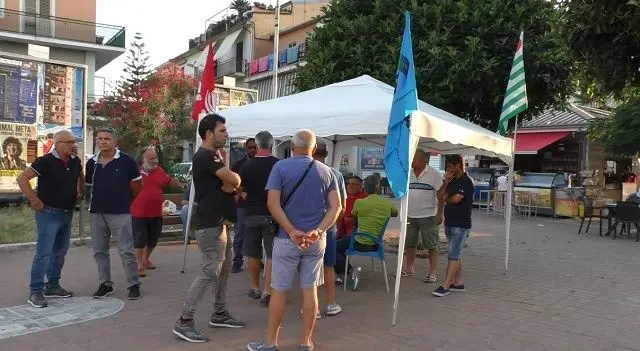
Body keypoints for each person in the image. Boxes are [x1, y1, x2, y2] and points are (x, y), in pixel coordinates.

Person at [247, 129, 341, 351]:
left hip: (287, 239)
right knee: (310, 290)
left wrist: (290, 230)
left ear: (292, 145)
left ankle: (270, 342)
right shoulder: (327, 172)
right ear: (314, 147)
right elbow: (337, 207)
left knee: (279, 289)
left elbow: (273, 203)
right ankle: (306, 342)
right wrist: (318, 231)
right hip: (315, 241)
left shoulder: (280, 167)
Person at [172, 113, 245, 343]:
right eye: (222, 130)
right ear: (209, 134)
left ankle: (220, 313)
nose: (226, 133)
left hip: (220, 222)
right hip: (210, 224)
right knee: (209, 271)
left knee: (222, 271)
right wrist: (233, 181)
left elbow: (229, 185)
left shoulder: (214, 156)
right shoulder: (205, 156)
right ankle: (184, 321)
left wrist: (231, 184)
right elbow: (233, 180)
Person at [16, 130, 83, 308]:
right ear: (58, 143)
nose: (72, 144)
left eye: (73, 141)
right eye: (68, 142)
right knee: (44, 253)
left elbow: (79, 176)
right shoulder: (45, 161)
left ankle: (52, 286)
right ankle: (35, 291)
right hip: (48, 214)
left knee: (60, 252)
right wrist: (34, 199)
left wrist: (80, 191)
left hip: (67, 213)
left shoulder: (76, 161)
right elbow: (22, 178)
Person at [86, 127, 142, 300]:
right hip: (96, 213)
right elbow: (89, 187)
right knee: (100, 251)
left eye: (106, 139)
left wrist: (125, 201)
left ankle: (133, 285)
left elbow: (136, 186)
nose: (102, 141)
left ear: (115, 141)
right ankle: (105, 284)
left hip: (120, 213)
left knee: (126, 250)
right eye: (99, 138)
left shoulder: (127, 161)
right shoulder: (91, 163)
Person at [238, 131, 279, 307]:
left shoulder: (246, 166)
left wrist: (251, 198)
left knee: (253, 253)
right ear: (272, 144)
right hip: (271, 214)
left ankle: (254, 287)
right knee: (271, 253)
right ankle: (267, 291)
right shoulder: (278, 165)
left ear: (256, 144)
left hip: (250, 213)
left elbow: (241, 190)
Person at [335, 175, 397, 290]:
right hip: (376, 244)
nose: (350, 186)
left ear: (364, 188)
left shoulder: (360, 202)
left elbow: (353, 219)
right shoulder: (387, 203)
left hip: (359, 242)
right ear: (378, 188)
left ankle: (350, 271)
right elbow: (395, 213)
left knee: (330, 248)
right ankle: (343, 272)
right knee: (340, 244)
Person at [131, 147, 183, 277]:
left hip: (156, 212)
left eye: (155, 158)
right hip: (139, 213)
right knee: (139, 240)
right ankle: (139, 265)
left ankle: (145, 259)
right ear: (143, 158)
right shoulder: (135, 172)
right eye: (151, 158)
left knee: (153, 240)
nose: (154, 161)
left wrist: (182, 185)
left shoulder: (158, 170)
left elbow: (169, 182)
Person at [312, 140, 346, 316]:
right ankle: (331, 303)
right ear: (326, 154)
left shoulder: (304, 171)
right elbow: (342, 206)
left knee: (309, 268)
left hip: (308, 227)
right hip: (329, 226)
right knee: (328, 266)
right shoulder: (336, 174)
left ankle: (312, 307)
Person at [433, 154, 474, 297]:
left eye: (450, 166)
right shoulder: (451, 181)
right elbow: (439, 196)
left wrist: (446, 198)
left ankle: (445, 285)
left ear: (458, 165)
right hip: (450, 222)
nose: (448, 169)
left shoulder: (466, 182)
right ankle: (458, 282)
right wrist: (445, 183)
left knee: (453, 254)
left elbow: (456, 199)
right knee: (456, 253)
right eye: (447, 167)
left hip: (461, 224)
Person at [402, 149, 443, 283]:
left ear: (424, 159)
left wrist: (439, 214)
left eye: (414, 157)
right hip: (410, 215)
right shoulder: (408, 173)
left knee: (432, 245)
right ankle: (409, 268)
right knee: (410, 243)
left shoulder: (434, 174)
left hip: (428, 215)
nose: (411, 160)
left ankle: (432, 272)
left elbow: (441, 196)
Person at [231, 138, 257, 273]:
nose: (252, 150)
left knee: (258, 234)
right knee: (239, 234)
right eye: (250, 147)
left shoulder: (261, 164)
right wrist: (241, 194)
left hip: (257, 205)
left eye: (255, 147)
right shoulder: (238, 165)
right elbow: (232, 185)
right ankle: (237, 261)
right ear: (246, 148)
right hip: (242, 205)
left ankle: (257, 260)